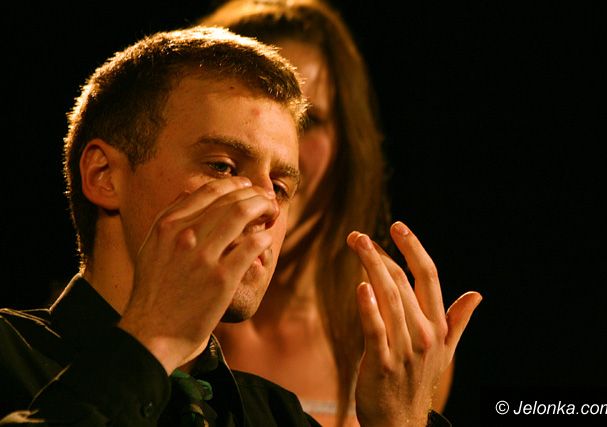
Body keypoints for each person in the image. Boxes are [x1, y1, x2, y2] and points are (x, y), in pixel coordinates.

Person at [0, 25, 481, 426]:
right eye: (223, 167)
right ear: (105, 176)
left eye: (281, 186)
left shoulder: (277, 415)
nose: (266, 207)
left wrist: (401, 421)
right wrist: (154, 339)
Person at [198, 1, 456, 425]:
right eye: (255, 119)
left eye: (309, 120)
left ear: (348, 141)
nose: (283, 154)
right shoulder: (161, 310)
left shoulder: (400, 336)